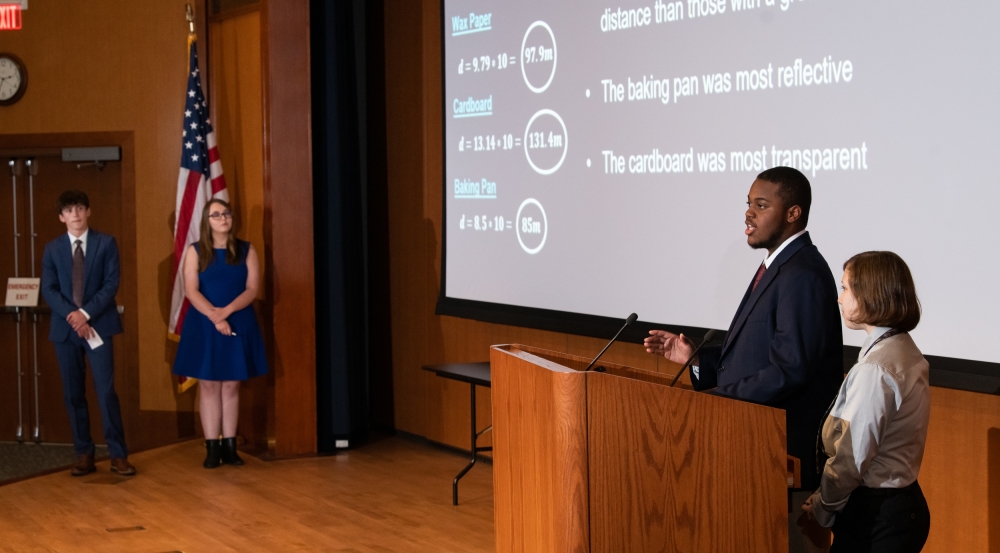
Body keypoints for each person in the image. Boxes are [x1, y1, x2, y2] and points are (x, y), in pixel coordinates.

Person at [644, 166, 843, 552]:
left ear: (793, 213)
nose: (749, 214)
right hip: (754, 448)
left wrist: (719, 399)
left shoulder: (801, 272)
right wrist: (695, 361)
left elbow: (790, 369)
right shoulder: (777, 266)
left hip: (782, 454)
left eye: (761, 205)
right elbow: (756, 356)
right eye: (748, 204)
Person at [802, 251, 931, 552]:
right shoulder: (900, 348)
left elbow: (851, 457)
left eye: (845, 288)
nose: (839, 298)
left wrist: (824, 506)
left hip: (878, 517)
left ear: (870, 295)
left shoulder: (876, 369)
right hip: (899, 507)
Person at [41, 190, 135, 476]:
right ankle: (84, 453)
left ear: (88, 211)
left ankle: (118, 454)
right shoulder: (52, 249)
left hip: (99, 327)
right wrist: (74, 317)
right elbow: (49, 289)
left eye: (80, 208)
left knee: (106, 391)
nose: (76, 214)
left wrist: (85, 314)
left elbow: (110, 284)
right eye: (69, 210)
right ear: (61, 217)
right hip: (66, 331)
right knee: (73, 394)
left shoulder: (106, 243)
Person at [173, 199, 268, 468]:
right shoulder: (195, 251)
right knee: (209, 385)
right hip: (204, 324)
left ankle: (230, 446)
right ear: (207, 221)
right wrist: (215, 316)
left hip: (238, 320)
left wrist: (225, 313)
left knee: (231, 385)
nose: (223, 218)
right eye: (216, 215)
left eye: (226, 213)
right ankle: (212, 448)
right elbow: (191, 290)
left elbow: (251, 289)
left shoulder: (246, 250)